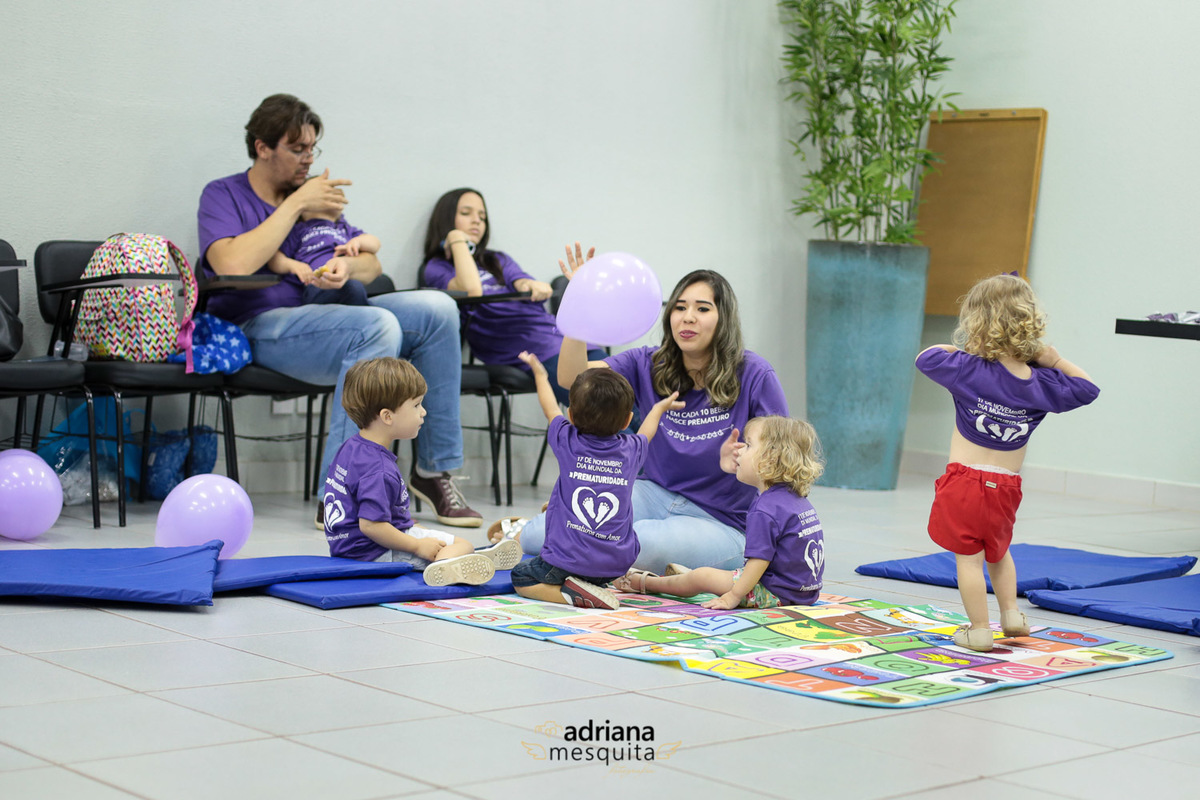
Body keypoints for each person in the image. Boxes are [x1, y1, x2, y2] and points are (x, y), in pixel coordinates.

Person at [196, 94, 481, 528]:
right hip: (260, 326)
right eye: (297, 149)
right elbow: (230, 264)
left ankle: (432, 470)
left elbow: (373, 265)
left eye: (313, 149)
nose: (308, 159)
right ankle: (342, 489)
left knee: (437, 308)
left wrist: (347, 265)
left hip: (331, 310)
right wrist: (294, 205)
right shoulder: (224, 195)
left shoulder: (318, 203)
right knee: (375, 325)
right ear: (262, 146)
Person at [514, 249, 790, 574]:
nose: (687, 317)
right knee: (535, 536)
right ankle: (542, 539)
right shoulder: (647, 362)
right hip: (653, 493)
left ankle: (570, 554)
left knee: (634, 542)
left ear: (724, 319)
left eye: (702, 309)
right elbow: (571, 378)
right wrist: (580, 306)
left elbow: (783, 458)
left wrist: (744, 460)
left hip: (720, 520)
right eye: (680, 307)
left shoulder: (755, 374)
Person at [916, 274, 1099, 652]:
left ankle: (979, 629)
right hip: (1007, 486)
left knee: (968, 560)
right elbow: (1087, 389)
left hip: (963, 483)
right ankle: (1012, 614)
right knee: (999, 551)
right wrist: (1054, 359)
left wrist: (971, 349)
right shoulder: (1041, 382)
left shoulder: (967, 369)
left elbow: (927, 357)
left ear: (976, 325)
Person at [509, 351, 681, 610]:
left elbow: (549, 407)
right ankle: (593, 585)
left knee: (521, 576)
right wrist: (658, 408)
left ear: (572, 416)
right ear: (626, 421)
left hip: (566, 562)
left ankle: (572, 595)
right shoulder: (631, 450)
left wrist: (540, 373)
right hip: (616, 565)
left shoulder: (567, 440)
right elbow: (647, 430)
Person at [322, 358, 520, 584]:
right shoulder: (378, 468)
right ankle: (445, 566)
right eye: (416, 405)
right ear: (387, 416)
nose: (423, 412)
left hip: (349, 547)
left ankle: (468, 559)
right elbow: (371, 526)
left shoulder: (351, 447)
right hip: (374, 553)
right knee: (462, 544)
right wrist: (417, 546)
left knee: (428, 532)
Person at [613, 415, 825, 609]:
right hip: (804, 592)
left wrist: (733, 596)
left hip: (775, 592)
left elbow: (759, 562)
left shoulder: (766, 508)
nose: (739, 450)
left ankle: (646, 583)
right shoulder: (795, 499)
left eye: (748, 445)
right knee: (709, 576)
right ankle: (686, 576)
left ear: (770, 459)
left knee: (701, 577)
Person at [420, 189, 608, 406]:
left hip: (555, 334)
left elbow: (522, 281)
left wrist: (532, 285)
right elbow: (472, 290)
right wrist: (455, 239)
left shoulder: (496, 259)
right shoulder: (436, 268)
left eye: (482, 217)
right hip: (518, 345)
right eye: (466, 213)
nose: (477, 221)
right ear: (446, 218)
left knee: (626, 389)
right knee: (600, 404)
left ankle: (644, 439)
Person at [267, 206, 379, 306]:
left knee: (354, 287)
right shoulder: (299, 230)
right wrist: (292, 265)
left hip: (344, 279)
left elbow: (375, 243)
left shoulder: (343, 228)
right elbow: (275, 258)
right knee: (352, 289)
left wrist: (359, 242)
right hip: (316, 283)